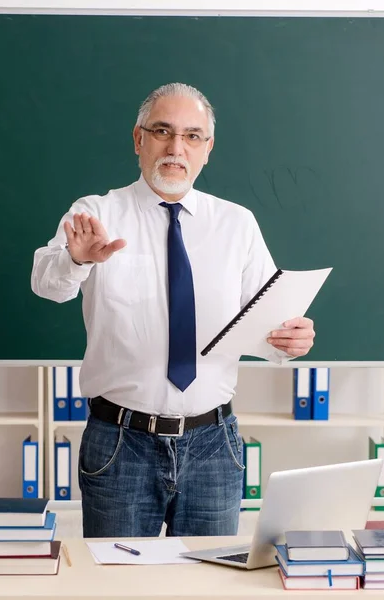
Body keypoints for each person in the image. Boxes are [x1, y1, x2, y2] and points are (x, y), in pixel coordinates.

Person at [31, 82, 315, 538]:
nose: (176, 147)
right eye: (162, 131)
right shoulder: (98, 213)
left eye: (192, 136)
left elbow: (269, 320)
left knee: (210, 582)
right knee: (118, 582)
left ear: (208, 149)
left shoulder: (237, 224)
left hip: (214, 444)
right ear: (139, 140)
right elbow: (47, 284)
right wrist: (78, 258)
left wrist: (291, 341)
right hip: (121, 443)